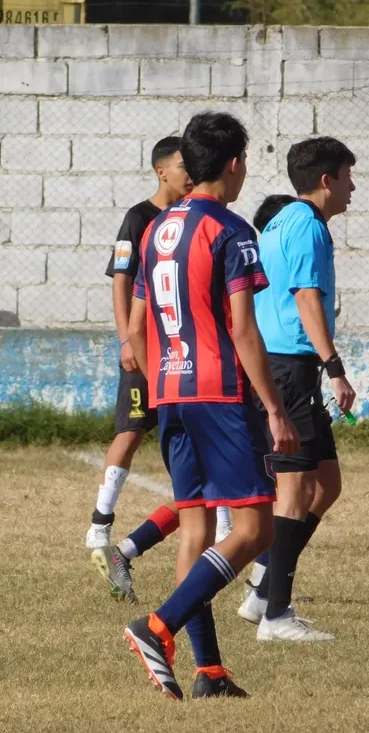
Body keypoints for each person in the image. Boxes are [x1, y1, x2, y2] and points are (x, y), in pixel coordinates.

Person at [121, 111, 299, 700]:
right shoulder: (231, 229)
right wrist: (274, 408)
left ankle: (210, 672)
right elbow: (244, 330)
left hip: (171, 394)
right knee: (254, 528)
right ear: (234, 163)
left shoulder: (157, 230)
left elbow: (138, 328)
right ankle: (156, 625)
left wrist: (161, 384)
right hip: (220, 392)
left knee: (196, 528)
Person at [86, 137, 232, 603]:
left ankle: (136, 551)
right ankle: (100, 528)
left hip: (185, 357)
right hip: (149, 349)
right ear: (161, 171)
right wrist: (127, 338)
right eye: (182, 166)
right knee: (132, 431)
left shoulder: (192, 217)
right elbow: (123, 282)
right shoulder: (140, 219)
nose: (190, 173)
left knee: (200, 477)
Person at [247, 137, 357, 643]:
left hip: (290, 368)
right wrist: (334, 367)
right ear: (326, 180)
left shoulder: (282, 221)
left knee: (326, 484)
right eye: (348, 176)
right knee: (294, 491)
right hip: (291, 368)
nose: (353, 187)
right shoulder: (307, 225)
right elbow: (307, 297)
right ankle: (276, 616)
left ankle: (264, 590)